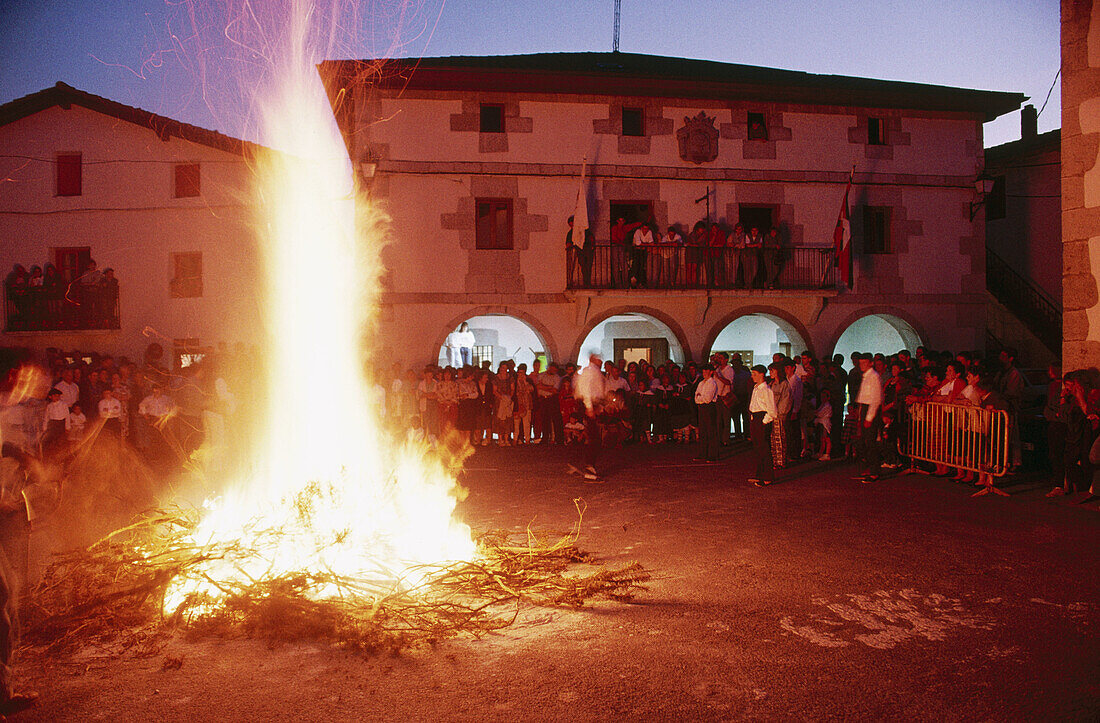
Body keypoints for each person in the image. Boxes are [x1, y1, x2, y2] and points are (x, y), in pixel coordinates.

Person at [573, 354, 607, 481]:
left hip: (592, 404)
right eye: (599, 359)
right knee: (594, 437)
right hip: (588, 404)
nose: (601, 361)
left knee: (595, 437)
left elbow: (596, 390)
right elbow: (586, 390)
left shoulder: (595, 372)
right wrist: (589, 407)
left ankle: (590, 465)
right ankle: (589, 466)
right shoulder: (590, 371)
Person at [854, 353, 884, 481]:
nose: (862, 365)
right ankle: (868, 467)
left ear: (871, 363)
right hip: (864, 408)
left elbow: (876, 399)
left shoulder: (874, 377)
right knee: (864, 442)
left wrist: (869, 417)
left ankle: (874, 470)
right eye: (860, 363)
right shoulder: (866, 376)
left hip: (871, 410)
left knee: (871, 442)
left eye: (865, 363)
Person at [748, 365, 778, 486]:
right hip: (755, 418)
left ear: (761, 374)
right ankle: (759, 474)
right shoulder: (756, 388)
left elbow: (772, 411)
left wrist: (763, 422)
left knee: (764, 449)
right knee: (757, 448)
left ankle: (767, 477)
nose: (752, 376)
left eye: (755, 374)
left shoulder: (766, 390)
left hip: (762, 419)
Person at [694, 364, 720, 462]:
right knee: (703, 431)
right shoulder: (701, 383)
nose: (704, 373)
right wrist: (700, 397)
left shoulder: (712, 383)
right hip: (702, 408)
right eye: (703, 371)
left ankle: (712, 455)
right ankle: (703, 453)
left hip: (709, 408)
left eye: (706, 371)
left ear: (711, 372)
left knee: (711, 431)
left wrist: (700, 397)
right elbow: (696, 396)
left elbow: (708, 399)